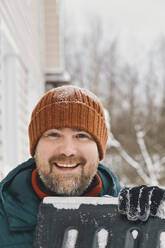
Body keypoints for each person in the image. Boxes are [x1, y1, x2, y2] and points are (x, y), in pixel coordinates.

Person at [0, 85, 164, 247]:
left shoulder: (133, 216)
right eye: (54, 134)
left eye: (81, 135)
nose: (67, 150)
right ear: (35, 148)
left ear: (99, 151)